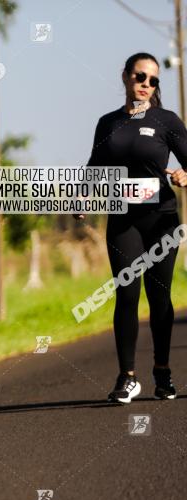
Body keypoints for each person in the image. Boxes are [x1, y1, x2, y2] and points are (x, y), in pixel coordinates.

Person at [83, 52, 187, 403]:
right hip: (123, 219)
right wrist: (82, 197)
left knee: (159, 297)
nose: (146, 84)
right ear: (125, 76)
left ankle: (162, 371)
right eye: (140, 76)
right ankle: (127, 377)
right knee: (126, 293)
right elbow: (94, 167)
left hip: (161, 218)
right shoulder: (107, 123)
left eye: (153, 80)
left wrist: (185, 173)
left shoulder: (166, 120)